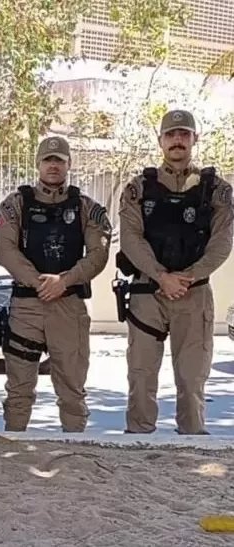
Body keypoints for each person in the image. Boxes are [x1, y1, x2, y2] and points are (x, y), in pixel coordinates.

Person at [118, 110, 233, 435]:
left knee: (192, 377)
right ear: (161, 141)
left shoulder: (217, 190)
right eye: (171, 135)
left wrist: (189, 277)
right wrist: (161, 276)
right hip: (147, 293)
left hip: (193, 294)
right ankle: (138, 442)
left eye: (184, 134)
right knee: (140, 376)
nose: (177, 140)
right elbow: (131, 239)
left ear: (195, 139)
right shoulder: (138, 188)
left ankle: (193, 445)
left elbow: (222, 243)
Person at [0, 136, 111, 433]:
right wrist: (39, 282)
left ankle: (75, 452)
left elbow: (98, 254)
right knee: (19, 389)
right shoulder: (16, 205)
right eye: (48, 160)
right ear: (38, 164)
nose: (54, 165)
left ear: (69, 164)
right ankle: (13, 452)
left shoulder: (86, 207)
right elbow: (7, 251)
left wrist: (65, 281)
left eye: (59, 160)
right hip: (27, 307)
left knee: (72, 389)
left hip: (68, 306)